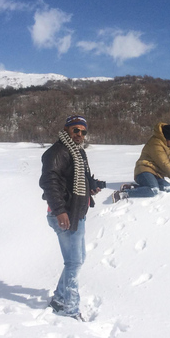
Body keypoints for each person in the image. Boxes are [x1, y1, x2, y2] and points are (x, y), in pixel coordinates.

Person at [39, 115, 104, 321]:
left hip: (77, 213)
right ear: (66, 129)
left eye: (83, 131)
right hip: (64, 214)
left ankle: (59, 299)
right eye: (76, 130)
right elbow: (49, 182)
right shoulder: (57, 152)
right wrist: (60, 211)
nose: (80, 135)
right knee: (74, 262)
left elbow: (80, 177)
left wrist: (91, 186)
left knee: (77, 260)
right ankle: (70, 308)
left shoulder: (78, 152)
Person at [113, 122, 170, 202]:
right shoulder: (156, 144)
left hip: (156, 173)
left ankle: (133, 187)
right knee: (154, 190)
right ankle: (123, 194)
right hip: (144, 170)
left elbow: (164, 166)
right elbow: (165, 165)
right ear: (167, 138)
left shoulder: (167, 145)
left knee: (167, 187)